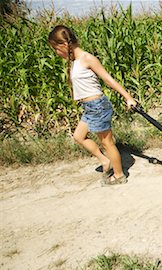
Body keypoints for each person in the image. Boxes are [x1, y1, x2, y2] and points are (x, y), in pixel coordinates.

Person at [48, 25, 137, 186]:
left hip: (98, 106)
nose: (56, 52)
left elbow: (109, 80)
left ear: (64, 45)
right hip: (89, 108)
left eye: (56, 48)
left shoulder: (87, 59)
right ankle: (105, 161)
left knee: (107, 143)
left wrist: (128, 97)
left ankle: (119, 176)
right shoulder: (74, 61)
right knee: (78, 136)